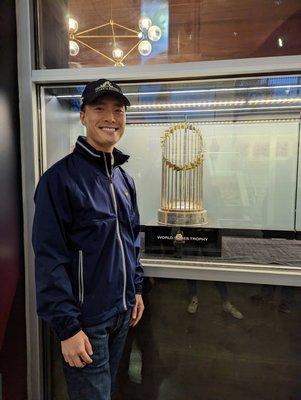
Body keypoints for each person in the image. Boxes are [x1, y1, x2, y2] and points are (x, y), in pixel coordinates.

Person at [32, 79, 144, 400]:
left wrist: (135, 289)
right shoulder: (59, 180)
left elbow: (131, 239)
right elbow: (49, 258)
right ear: (83, 116)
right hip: (86, 324)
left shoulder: (125, 179)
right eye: (99, 109)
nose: (110, 117)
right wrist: (67, 328)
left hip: (122, 315)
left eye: (118, 110)